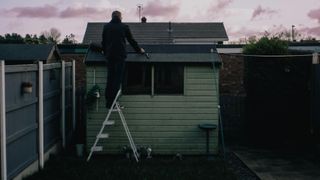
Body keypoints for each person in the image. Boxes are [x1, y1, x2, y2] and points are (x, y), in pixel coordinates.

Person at [102, 11, 144, 109]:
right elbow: (131, 40)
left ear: (111, 17)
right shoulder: (124, 27)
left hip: (109, 56)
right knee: (117, 79)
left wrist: (105, 51)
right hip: (120, 56)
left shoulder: (106, 27)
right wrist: (139, 50)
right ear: (120, 17)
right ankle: (113, 103)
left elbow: (103, 42)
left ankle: (109, 103)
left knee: (110, 78)